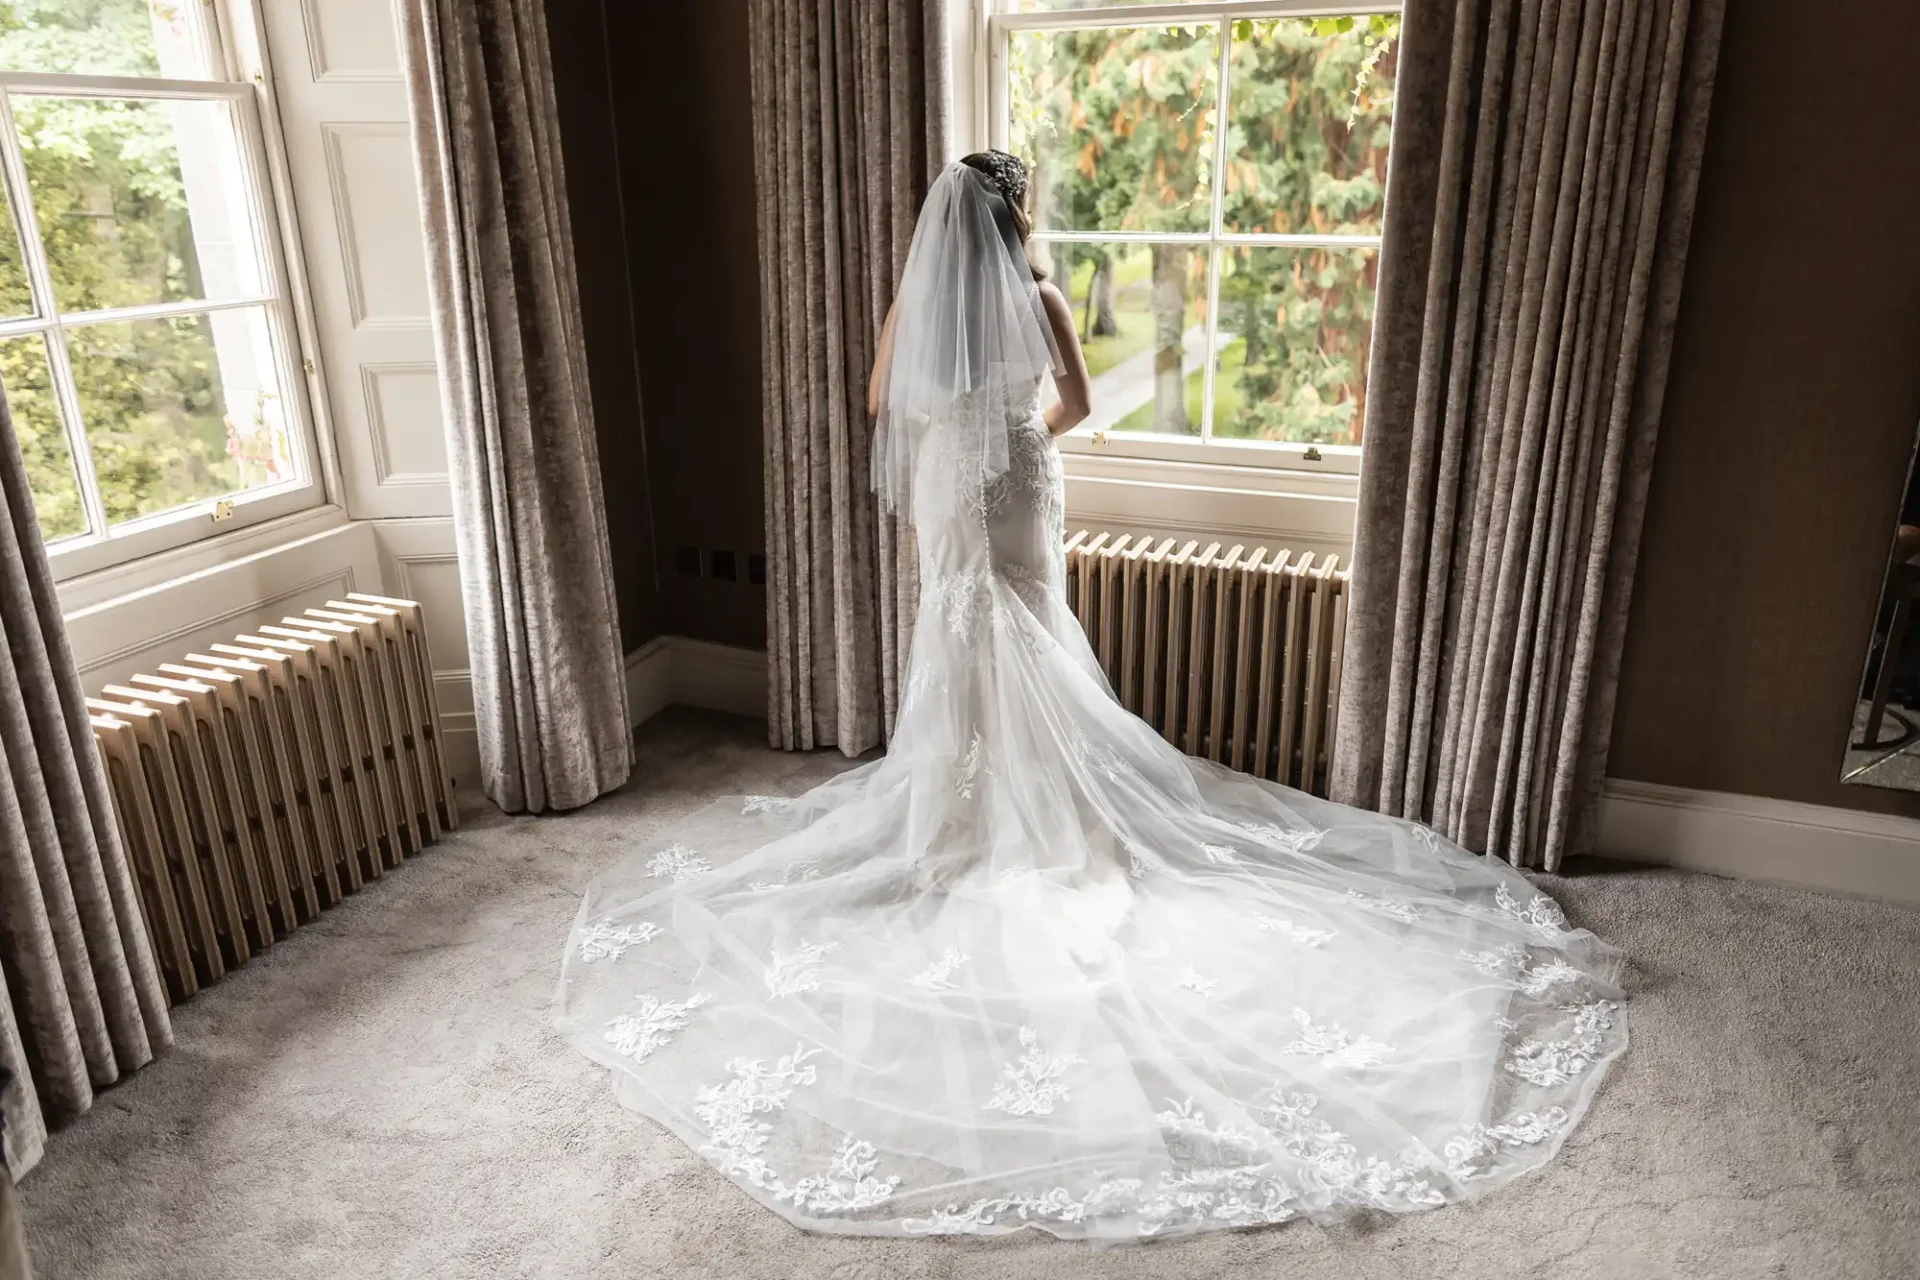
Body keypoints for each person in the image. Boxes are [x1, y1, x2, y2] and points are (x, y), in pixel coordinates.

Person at [555, 152, 1626, 1241]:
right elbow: (1073, 399)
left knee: (964, 629)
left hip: (948, 486)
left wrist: (952, 431)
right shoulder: (1043, 297)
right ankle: (1041, 810)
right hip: (1021, 476)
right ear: (1013, 219)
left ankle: (962, 816)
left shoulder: (913, 308)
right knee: (1027, 626)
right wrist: (1015, 438)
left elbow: (883, 402)